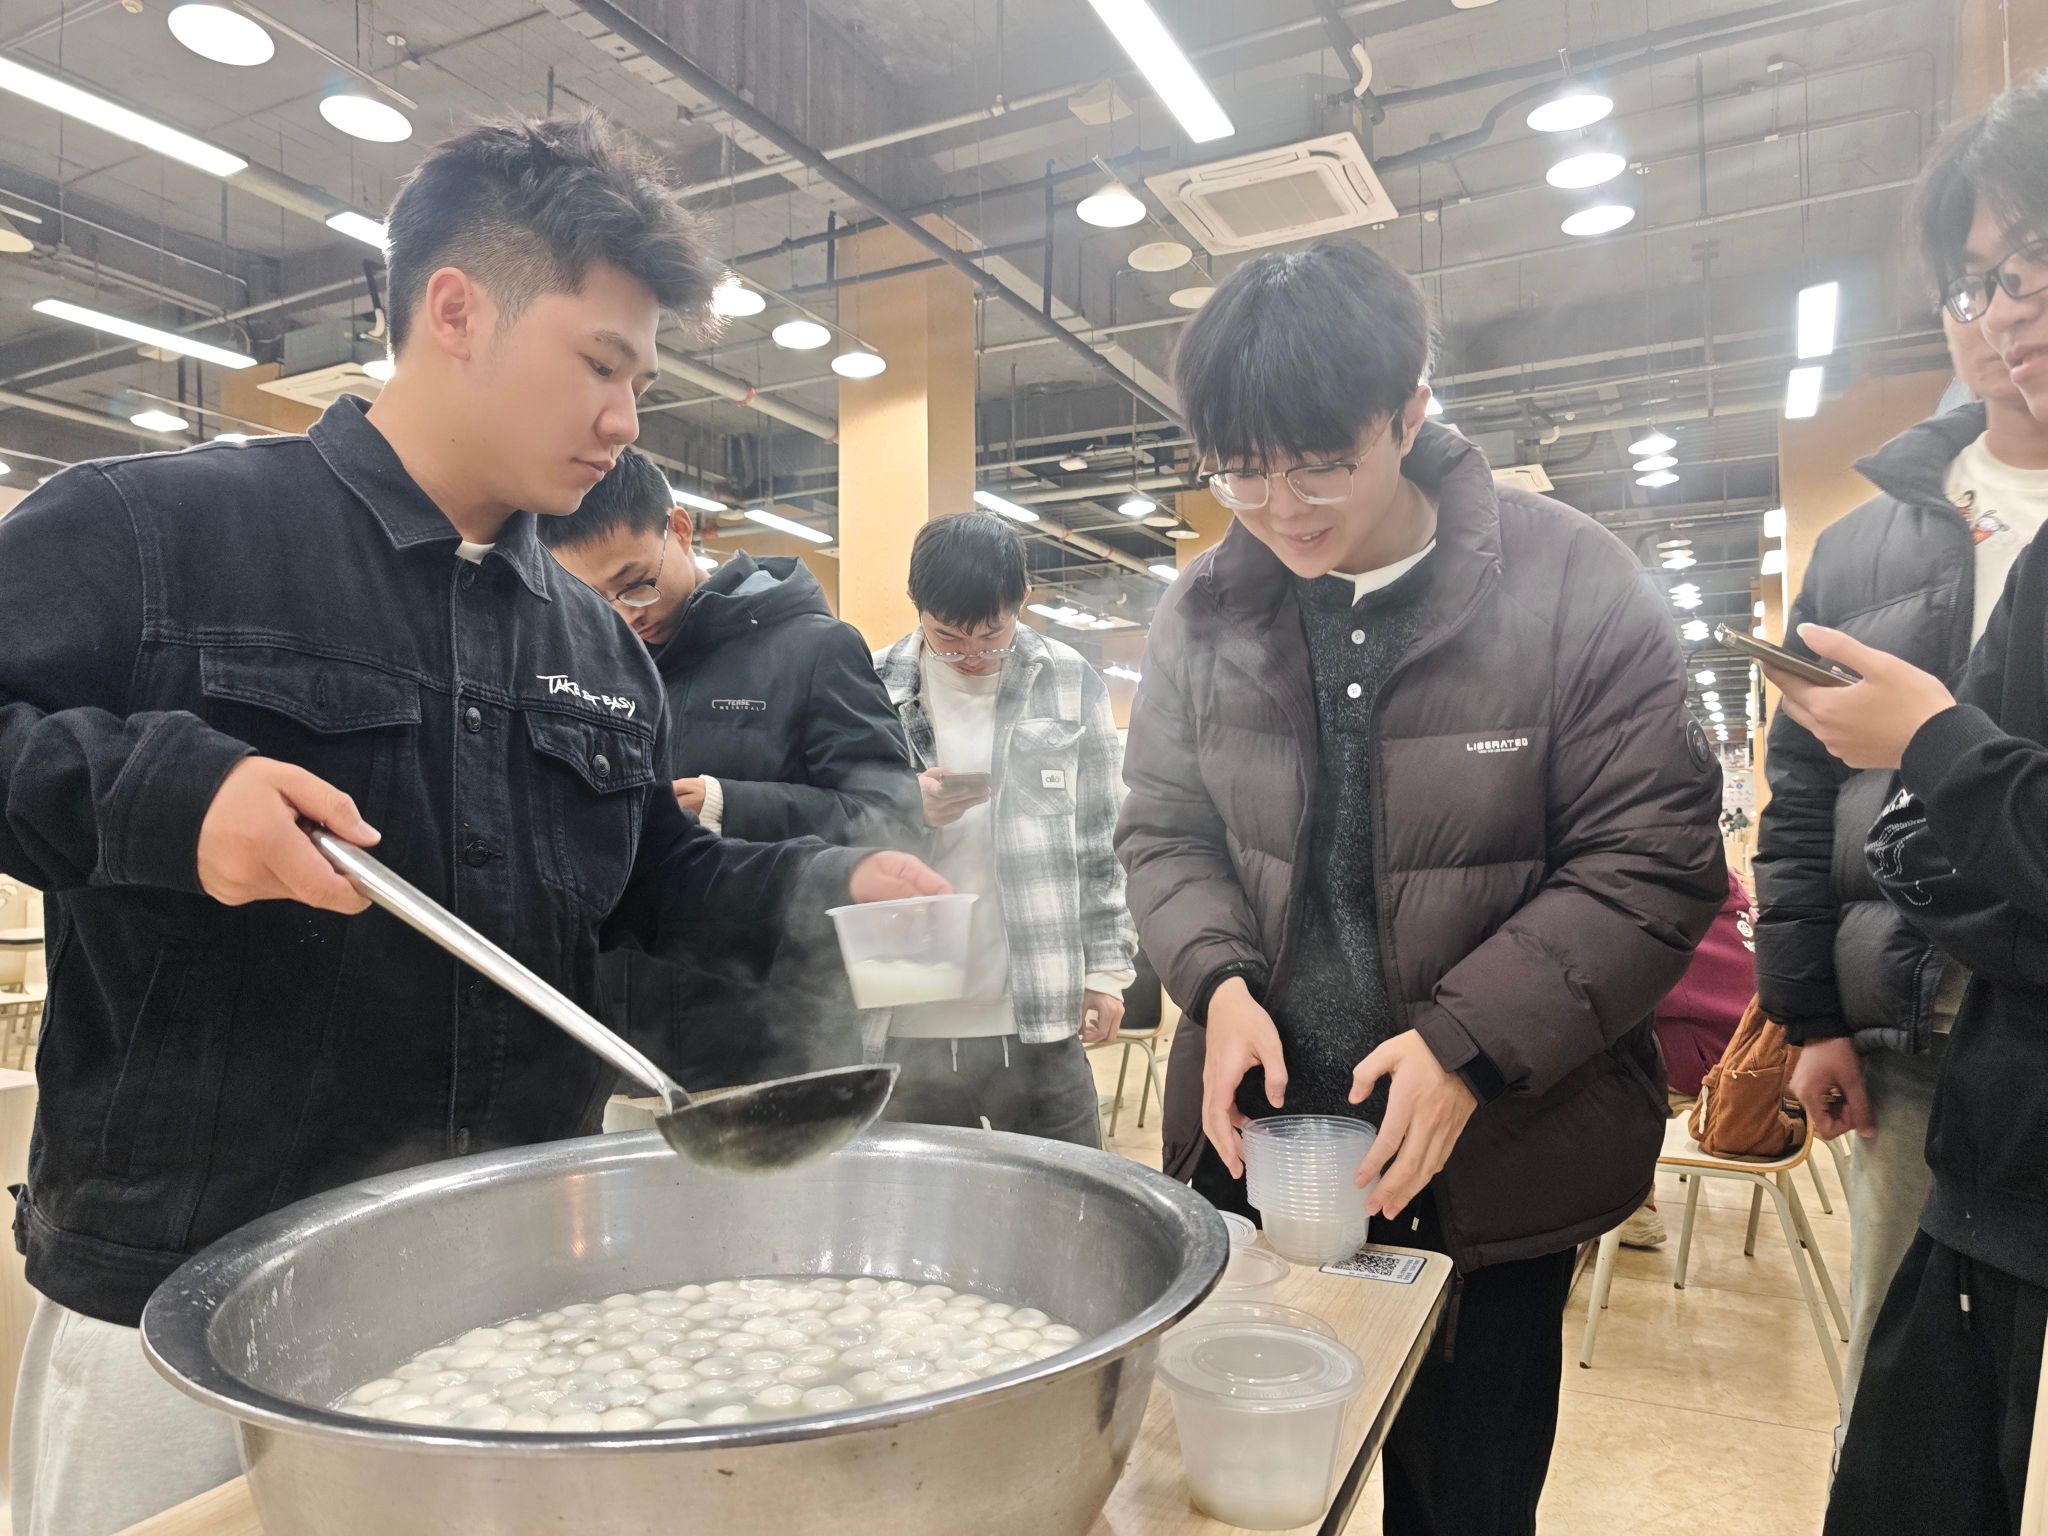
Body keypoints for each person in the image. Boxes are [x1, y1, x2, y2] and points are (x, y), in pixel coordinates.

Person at [0, 114, 943, 1536]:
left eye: (640, 380)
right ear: (455, 310)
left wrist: (827, 885)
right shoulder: (158, 533)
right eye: (600, 365)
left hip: (503, 1299)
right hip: (182, 1319)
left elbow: (648, 879)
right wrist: (168, 800)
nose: (626, 420)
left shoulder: (593, 644)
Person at [1116, 237, 1724, 1534]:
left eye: (1319, 461)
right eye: (1240, 470)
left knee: (1464, 1504)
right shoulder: (1205, 607)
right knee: (1233, 1495)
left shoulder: (1571, 584)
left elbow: (1653, 859)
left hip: (1491, 1160)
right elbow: (1162, 831)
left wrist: (1464, 1047)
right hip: (1261, 1155)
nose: (1281, 506)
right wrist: (1216, 982)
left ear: (1409, 411)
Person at [1762, 76, 2048, 1536]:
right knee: (1906, 1406)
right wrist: (1807, 1010)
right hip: (1906, 1035)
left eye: (2033, 261)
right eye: (1977, 280)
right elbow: (1798, 794)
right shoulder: (1865, 542)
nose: (2004, 312)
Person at [539, 447, 923, 1086]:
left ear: (679, 529)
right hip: (620, 1047)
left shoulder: (813, 649)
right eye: (593, 599)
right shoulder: (587, 668)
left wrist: (729, 805)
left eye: (635, 582)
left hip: (777, 1039)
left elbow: (893, 819)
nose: (625, 614)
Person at [871, 511, 1137, 1147]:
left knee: (1070, 1197)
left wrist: (1106, 970)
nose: (970, 656)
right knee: (917, 1206)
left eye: (991, 636)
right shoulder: (869, 684)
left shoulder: (1069, 679)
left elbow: (1102, 838)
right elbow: (833, 827)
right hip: (907, 1016)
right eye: (947, 637)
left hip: (1040, 1008)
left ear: (1023, 599)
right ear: (915, 604)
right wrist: (907, 808)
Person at [1617, 868, 1758, 1248]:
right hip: (1757, 1063)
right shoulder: (1729, 894)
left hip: (1717, 1069)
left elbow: (1623, 988)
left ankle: (1631, 1209)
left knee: (1606, 1074)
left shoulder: (1663, 905)